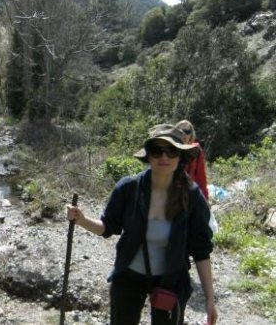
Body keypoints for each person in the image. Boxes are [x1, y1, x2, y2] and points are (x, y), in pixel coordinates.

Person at [66, 124, 218, 325]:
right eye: (157, 151)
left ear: (180, 156)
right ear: (148, 156)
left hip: (171, 280)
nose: (164, 157)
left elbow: (201, 250)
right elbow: (107, 227)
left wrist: (209, 299)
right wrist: (82, 220)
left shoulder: (192, 196)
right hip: (129, 276)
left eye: (171, 151)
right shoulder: (129, 188)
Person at [175, 120, 209, 200]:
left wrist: (205, 197)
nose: (183, 134)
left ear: (191, 134)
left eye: (187, 131)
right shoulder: (170, 149)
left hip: (189, 194)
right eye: (180, 131)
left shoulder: (196, 150)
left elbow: (201, 177)